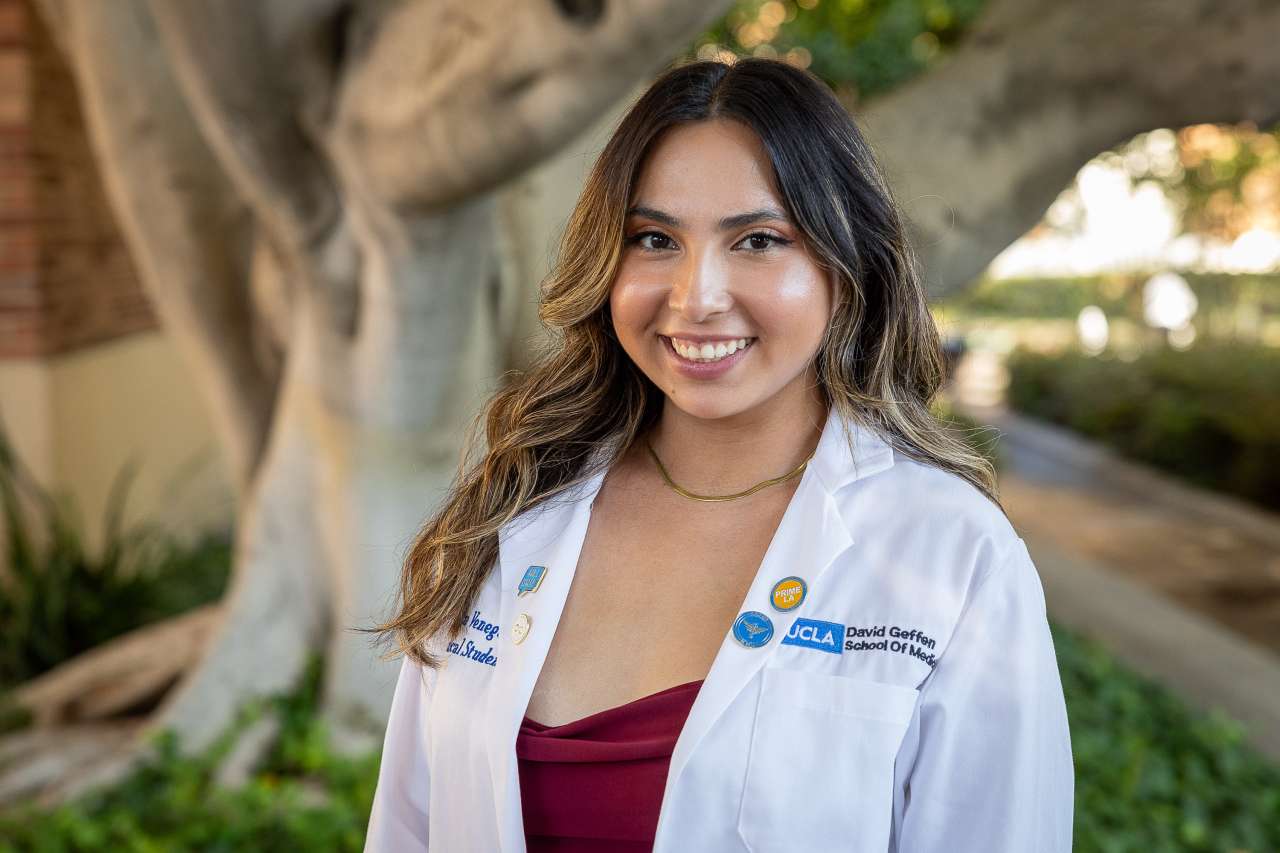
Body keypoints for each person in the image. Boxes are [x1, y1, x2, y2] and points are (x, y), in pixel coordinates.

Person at [364, 56, 1074, 852]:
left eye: (760, 240)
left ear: (846, 267)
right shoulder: (513, 507)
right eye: (655, 238)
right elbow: (408, 829)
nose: (696, 297)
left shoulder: (952, 553)